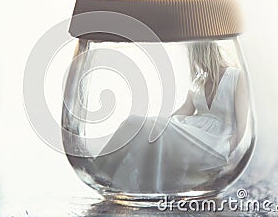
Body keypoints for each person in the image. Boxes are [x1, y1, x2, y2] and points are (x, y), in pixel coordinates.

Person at [91, 41, 249, 193]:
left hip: (213, 143)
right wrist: (159, 125)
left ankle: (99, 171)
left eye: (191, 55)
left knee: (144, 125)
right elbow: (186, 109)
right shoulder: (199, 79)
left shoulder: (237, 77)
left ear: (200, 53)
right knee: (137, 124)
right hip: (190, 134)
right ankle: (100, 172)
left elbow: (242, 125)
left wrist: (227, 153)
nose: (192, 61)